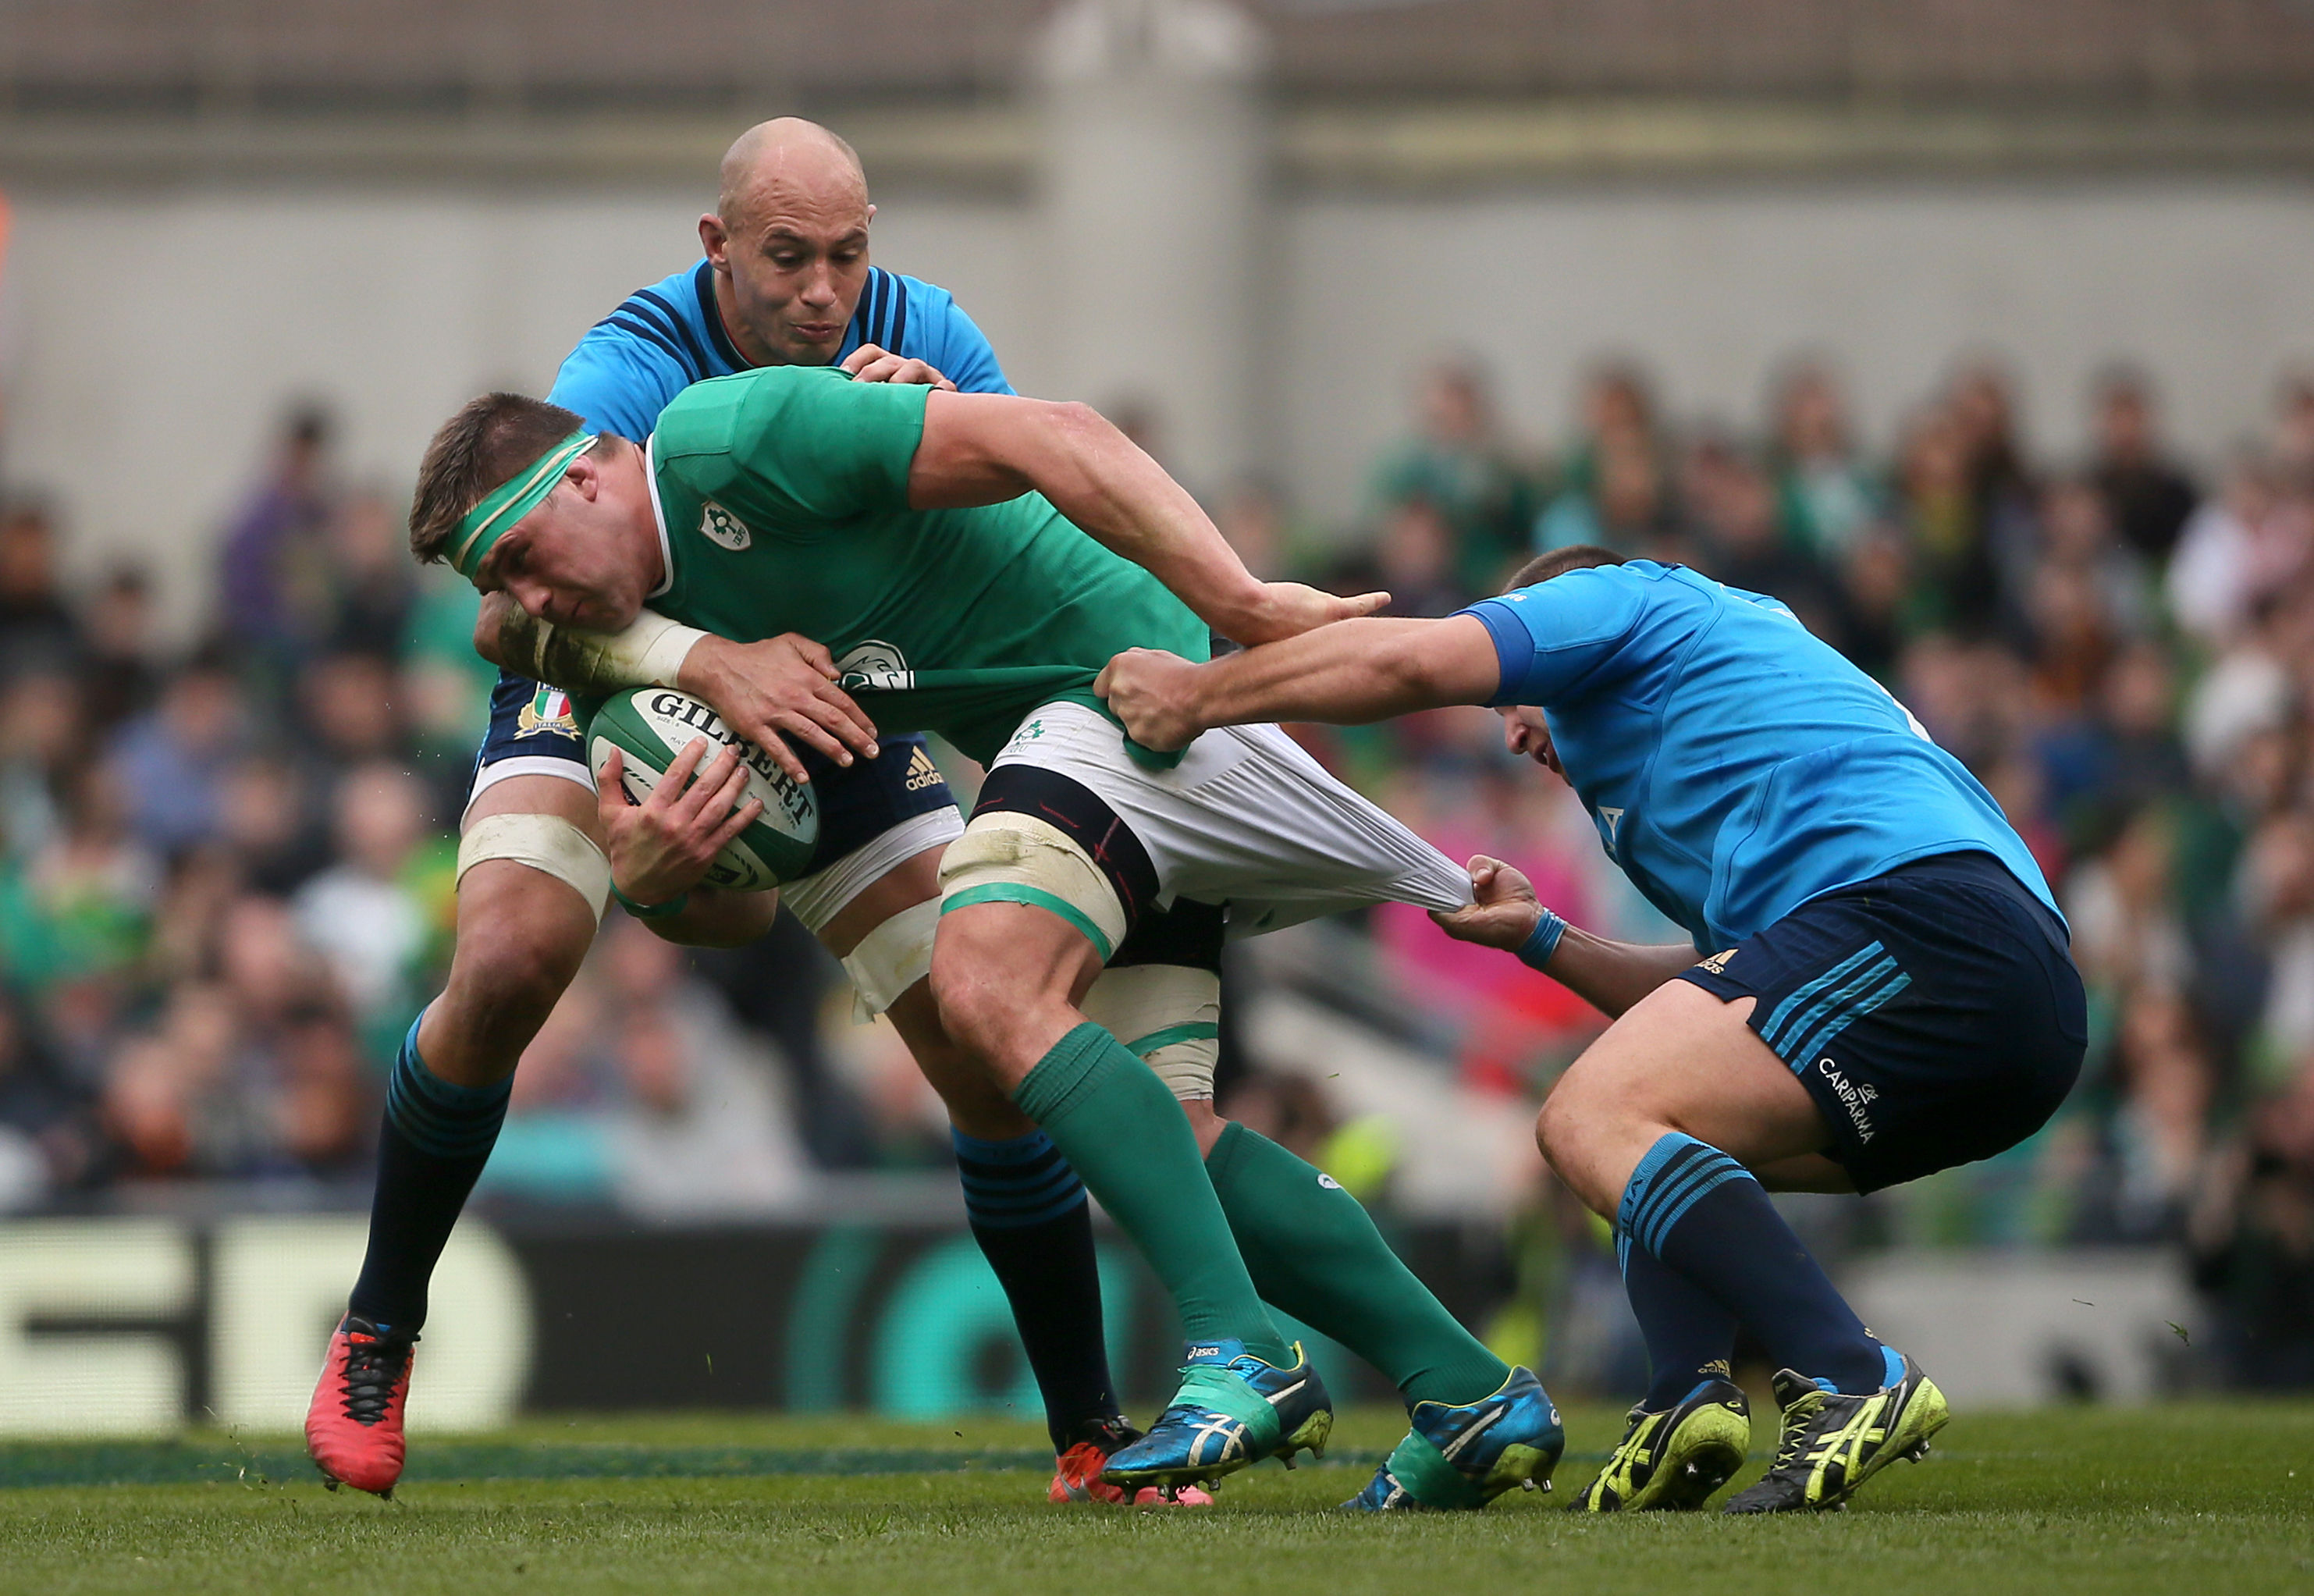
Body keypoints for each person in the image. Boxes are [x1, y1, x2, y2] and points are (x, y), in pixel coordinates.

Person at [403, 358, 1565, 1508]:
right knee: (1168, 1131)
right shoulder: (653, 644)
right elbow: (715, 863)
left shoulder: (725, 437)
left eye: (518, 557)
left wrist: (1241, 600)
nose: (531, 599)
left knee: (982, 979)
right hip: (1093, 756)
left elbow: (1056, 429)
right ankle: (1468, 1391)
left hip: (1129, 694)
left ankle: (1241, 1350)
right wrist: (653, 882)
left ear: (589, 479)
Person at [304, 119, 1142, 1508]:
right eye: (789, 258)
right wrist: (700, 661)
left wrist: (938, 426)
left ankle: (1093, 1434)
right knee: (509, 958)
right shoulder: (625, 372)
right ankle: (379, 1330)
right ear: (718, 250)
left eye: (849, 257)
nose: (826, 292)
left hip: (824, 694)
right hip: (624, 677)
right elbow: (512, 619)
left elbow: (1018, 540)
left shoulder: (926, 334)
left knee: (983, 1035)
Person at [1097, 545, 2088, 1513]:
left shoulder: (1619, 599)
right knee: (1654, 1121)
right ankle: (1683, 1398)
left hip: (1935, 929)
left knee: (1586, 1114)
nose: (1509, 732)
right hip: (2004, 1007)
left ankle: (1850, 1371)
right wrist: (1541, 936)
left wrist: (1199, 696)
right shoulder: (1711, 738)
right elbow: (1718, 994)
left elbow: (1408, 661)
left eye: (1512, 699)